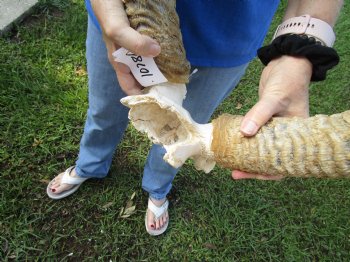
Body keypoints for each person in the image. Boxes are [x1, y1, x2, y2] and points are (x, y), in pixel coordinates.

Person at [47, 0, 343, 235]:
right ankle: (90, 165)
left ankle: (157, 188)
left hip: (226, 38)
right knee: (104, 107)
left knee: (185, 138)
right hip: (126, 18)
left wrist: (298, 52)